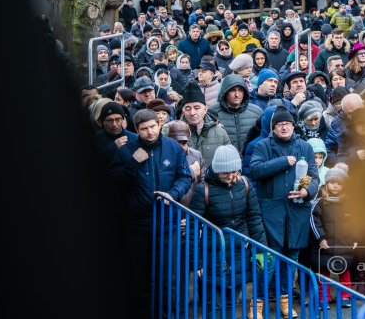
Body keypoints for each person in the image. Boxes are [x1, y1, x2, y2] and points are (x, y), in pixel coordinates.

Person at [111, 109, 193, 312]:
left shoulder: (173, 147)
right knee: (140, 276)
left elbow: (185, 176)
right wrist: (132, 163)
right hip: (138, 224)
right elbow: (114, 183)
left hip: (168, 221)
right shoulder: (125, 151)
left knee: (168, 276)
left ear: (159, 125)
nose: (149, 132)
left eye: (153, 127)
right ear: (136, 130)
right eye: (144, 129)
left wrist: (172, 194)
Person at [189, 144, 267, 314]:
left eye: (234, 171)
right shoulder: (204, 190)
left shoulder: (245, 184)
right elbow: (193, 228)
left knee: (232, 302)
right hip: (213, 254)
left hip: (239, 251)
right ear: (217, 171)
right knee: (214, 305)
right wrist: (197, 262)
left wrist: (261, 251)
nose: (231, 176)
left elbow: (254, 219)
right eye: (226, 172)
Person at [250, 107, 319, 260]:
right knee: (271, 261)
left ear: (293, 126)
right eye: (279, 124)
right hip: (272, 214)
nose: (284, 127)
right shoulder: (262, 146)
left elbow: (315, 177)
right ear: (273, 127)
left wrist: (307, 192)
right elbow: (255, 170)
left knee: (292, 259)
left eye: (287, 123)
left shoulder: (305, 146)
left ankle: (286, 285)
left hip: (297, 211)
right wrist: (283, 161)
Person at [311, 168, 356, 308]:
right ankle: (323, 298)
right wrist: (320, 238)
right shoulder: (320, 202)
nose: (335, 186)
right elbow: (313, 221)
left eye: (339, 183)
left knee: (344, 270)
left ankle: (345, 296)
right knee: (323, 273)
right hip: (325, 245)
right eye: (332, 182)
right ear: (326, 184)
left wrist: (355, 238)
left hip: (344, 244)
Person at [210, 74, 263, 154]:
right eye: (232, 90)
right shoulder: (212, 113)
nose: (237, 95)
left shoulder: (257, 112)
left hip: (250, 160)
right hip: (224, 160)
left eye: (240, 90)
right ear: (225, 92)